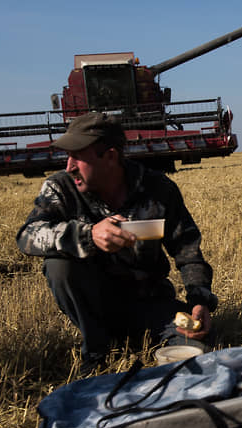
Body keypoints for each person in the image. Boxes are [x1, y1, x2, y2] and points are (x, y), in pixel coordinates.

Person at [17, 112, 217, 370]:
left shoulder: (158, 188)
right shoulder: (61, 188)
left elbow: (187, 249)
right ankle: (97, 351)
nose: (69, 166)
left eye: (77, 156)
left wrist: (199, 300)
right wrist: (87, 235)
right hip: (95, 309)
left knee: (195, 347)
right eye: (68, 156)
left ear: (110, 156)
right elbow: (27, 236)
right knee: (58, 266)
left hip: (150, 305)